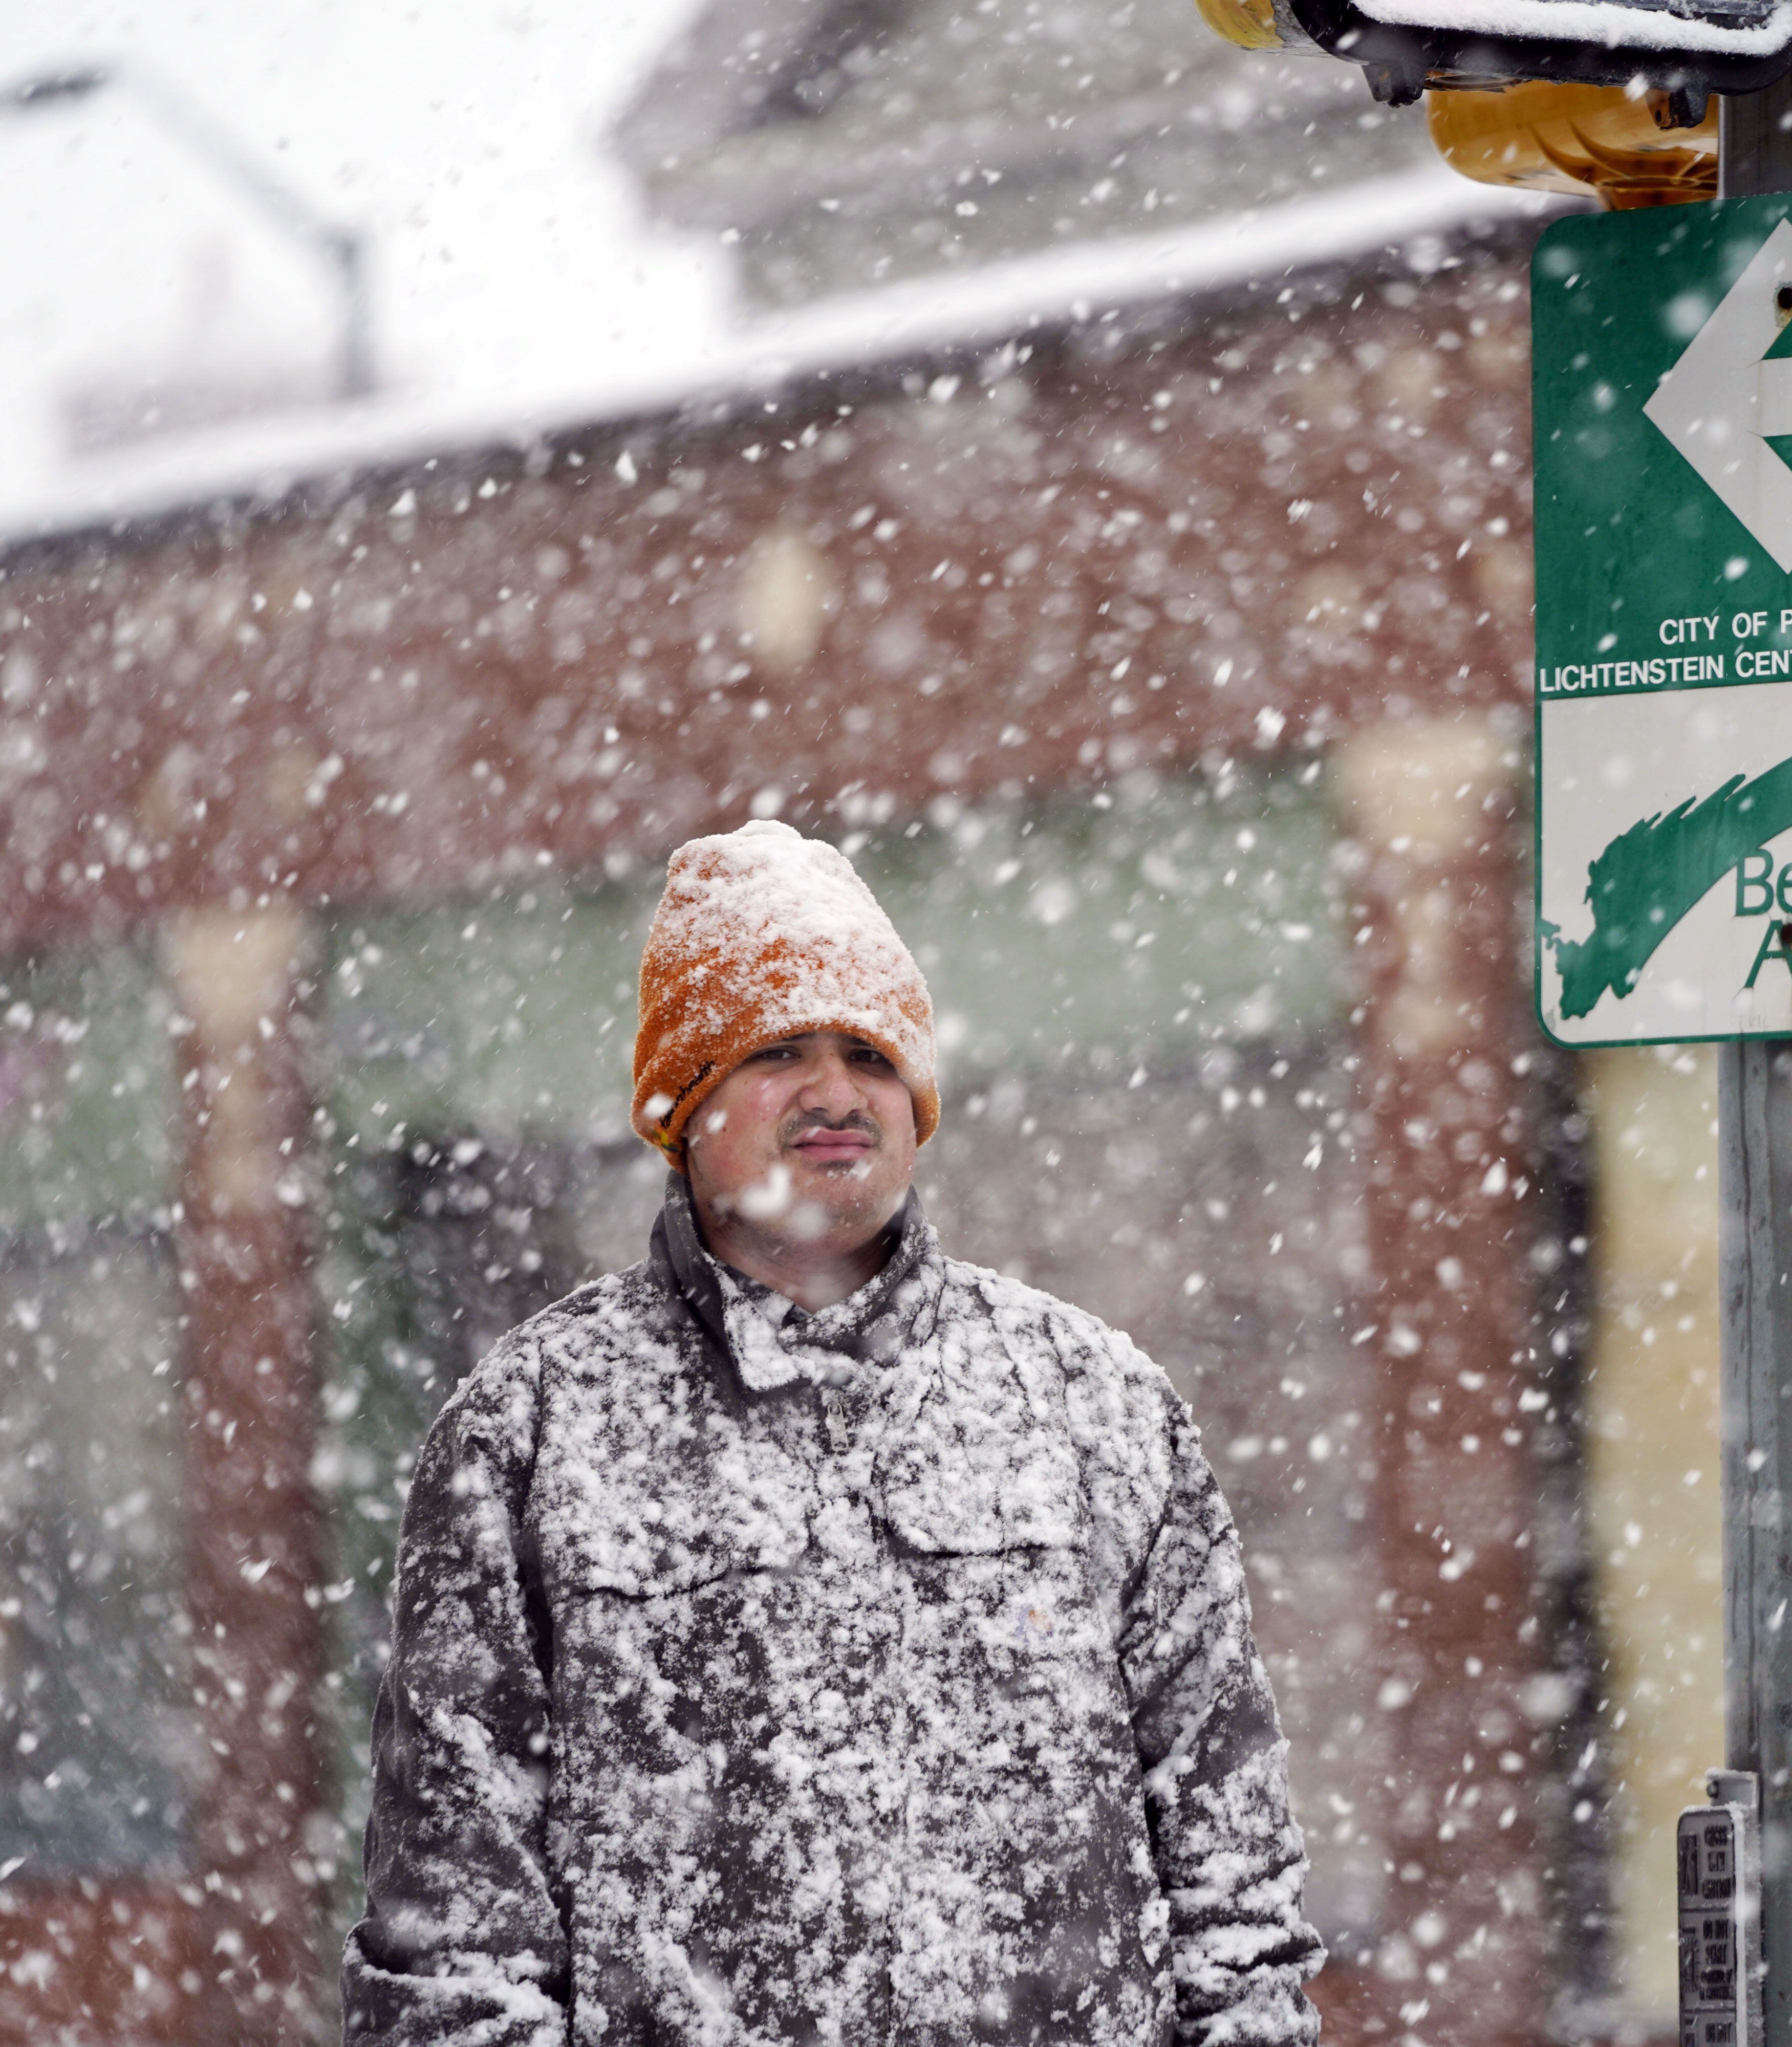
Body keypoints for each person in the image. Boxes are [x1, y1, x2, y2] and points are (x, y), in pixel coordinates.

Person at [343, 819, 1324, 2046]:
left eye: (869, 1050)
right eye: (776, 1050)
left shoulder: (1096, 1407)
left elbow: (1234, 1893)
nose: (835, 1091)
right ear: (682, 1103)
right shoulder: (531, 1433)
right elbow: (454, 1950)